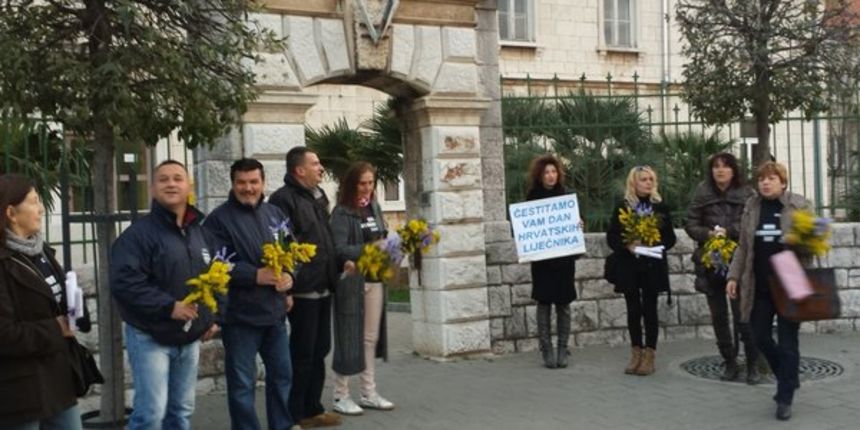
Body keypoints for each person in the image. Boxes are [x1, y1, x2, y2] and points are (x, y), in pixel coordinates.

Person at [111, 160, 219, 430]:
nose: (171, 183)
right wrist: (169, 306)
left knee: (181, 412)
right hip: (150, 336)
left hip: (189, 337)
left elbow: (216, 276)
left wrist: (210, 319)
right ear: (153, 188)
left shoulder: (200, 231)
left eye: (177, 178)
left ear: (189, 185)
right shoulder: (138, 235)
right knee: (150, 414)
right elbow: (125, 282)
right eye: (163, 179)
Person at [204, 158, 298, 430]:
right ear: (233, 185)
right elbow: (215, 263)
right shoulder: (217, 220)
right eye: (242, 183)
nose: (248, 188)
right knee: (242, 385)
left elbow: (293, 253)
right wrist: (255, 275)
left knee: (282, 377)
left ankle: (281, 425)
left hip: (276, 314)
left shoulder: (275, 215)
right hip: (240, 317)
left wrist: (290, 278)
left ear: (263, 182)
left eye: (253, 182)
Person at [727, 161, 812, 421]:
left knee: (788, 344)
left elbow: (815, 245)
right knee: (760, 336)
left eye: (771, 178)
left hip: (790, 282)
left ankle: (784, 397)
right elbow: (742, 246)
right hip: (760, 285)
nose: (765, 183)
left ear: (783, 182)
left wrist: (798, 242)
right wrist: (733, 276)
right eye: (762, 179)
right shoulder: (752, 207)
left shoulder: (800, 205)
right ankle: (789, 376)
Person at [0, 174, 87, 429]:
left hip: (57, 379)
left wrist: (76, 311)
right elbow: (4, 333)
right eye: (34, 202)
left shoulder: (41, 251)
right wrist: (57, 327)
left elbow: (55, 300)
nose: (41, 209)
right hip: (19, 389)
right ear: (11, 213)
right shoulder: (4, 262)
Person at [269, 147, 341, 428]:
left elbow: (325, 239)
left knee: (320, 349)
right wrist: (288, 286)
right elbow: (282, 246)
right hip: (302, 291)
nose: (320, 168)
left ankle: (314, 409)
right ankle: (296, 413)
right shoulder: (282, 200)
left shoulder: (318, 196)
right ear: (299, 170)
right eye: (315, 163)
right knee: (302, 354)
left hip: (324, 287)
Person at [685, 153, 760, 384]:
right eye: (716, 167)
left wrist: (729, 231)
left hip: (739, 261)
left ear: (733, 170)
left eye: (725, 166)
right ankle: (729, 361)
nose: (720, 171)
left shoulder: (747, 193)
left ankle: (752, 364)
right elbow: (690, 223)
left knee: (742, 315)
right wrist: (708, 234)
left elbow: (751, 221)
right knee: (718, 315)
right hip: (710, 261)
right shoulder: (702, 192)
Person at [328, 162, 394, 415]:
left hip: (375, 278)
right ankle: (340, 395)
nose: (367, 188)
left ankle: (368, 392)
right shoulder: (342, 213)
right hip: (352, 281)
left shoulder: (374, 207)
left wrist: (393, 246)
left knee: (369, 339)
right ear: (351, 184)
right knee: (348, 338)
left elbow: (382, 235)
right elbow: (338, 249)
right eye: (362, 183)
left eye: (371, 183)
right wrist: (369, 249)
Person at [606, 165, 676, 376]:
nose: (647, 183)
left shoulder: (660, 207)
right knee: (633, 310)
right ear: (633, 183)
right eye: (643, 179)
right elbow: (612, 236)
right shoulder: (623, 206)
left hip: (652, 266)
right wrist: (628, 245)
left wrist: (655, 244)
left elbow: (670, 238)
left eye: (650, 179)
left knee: (650, 310)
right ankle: (635, 351)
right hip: (630, 265)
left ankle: (650, 354)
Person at [525, 155, 577, 369]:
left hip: (564, 260)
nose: (551, 176)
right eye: (547, 172)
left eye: (554, 172)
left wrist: (579, 223)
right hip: (542, 262)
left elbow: (576, 221)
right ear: (540, 175)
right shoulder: (532, 198)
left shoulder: (566, 196)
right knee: (544, 303)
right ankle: (546, 349)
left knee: (563, 305)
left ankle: (563, 348)